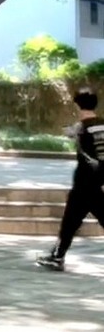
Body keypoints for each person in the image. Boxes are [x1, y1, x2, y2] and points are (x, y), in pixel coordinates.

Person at [36, 90, 104, 271]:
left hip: (83, 183)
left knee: (69, 223)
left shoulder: (80, 128)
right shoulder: (102, 125)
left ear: (77, 105)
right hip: (98, 182)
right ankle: (57, 256)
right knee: (73, 222)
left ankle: (57, 257)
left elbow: (74, 136)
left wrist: (72, 132)